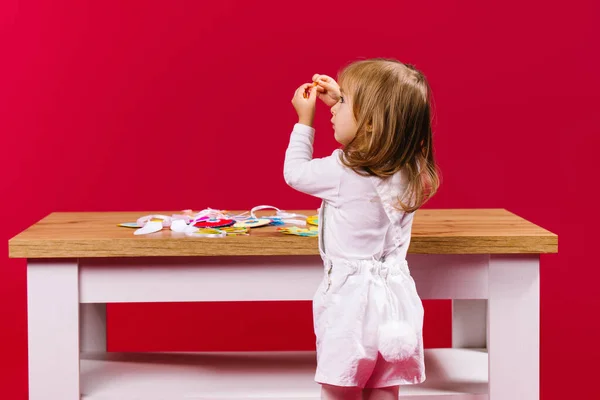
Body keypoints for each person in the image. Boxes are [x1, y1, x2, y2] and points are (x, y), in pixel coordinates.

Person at [284, 58, 440, 400]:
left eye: (342, 104)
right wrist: (345, 99)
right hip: (397, 300)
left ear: (369, 124)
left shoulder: (341, 172)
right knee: (385, 385)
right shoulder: (413, 168)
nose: (333, 111)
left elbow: (295, 172)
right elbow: (381, 130)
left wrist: (304, 121)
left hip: (350, 304)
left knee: (341, 385)